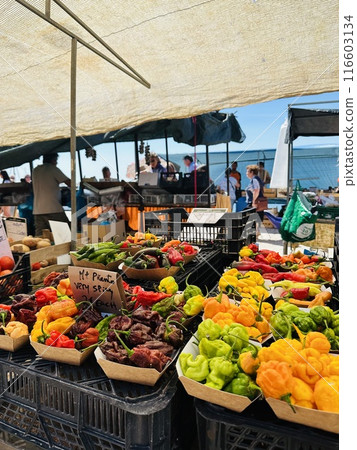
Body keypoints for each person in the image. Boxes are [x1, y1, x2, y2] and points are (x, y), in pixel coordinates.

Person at [32, 153, 71, 236]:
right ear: (53, 160)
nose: (56, 163)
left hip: (38, 210)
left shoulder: (35, 170)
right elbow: (69, 182)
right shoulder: (52, 168)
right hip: (53, 209)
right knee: (65, 235)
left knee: (40, 238)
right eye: (56, 161)